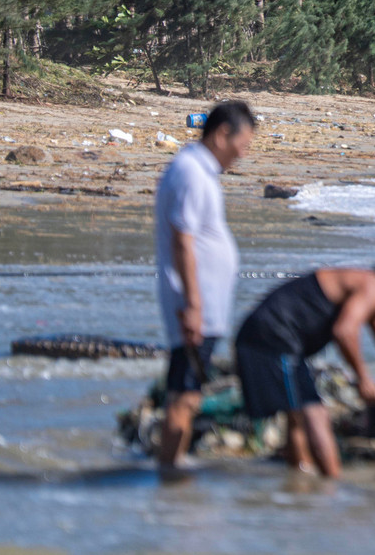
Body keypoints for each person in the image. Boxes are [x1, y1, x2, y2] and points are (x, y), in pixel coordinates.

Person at [234, 249, 375, 477]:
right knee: (300, 414)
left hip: (281, 340)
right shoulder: (371, 286)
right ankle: (311, 483)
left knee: (310, 413)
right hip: (271, 337)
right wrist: (363, 379)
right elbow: (345, 331)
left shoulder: (367, 286)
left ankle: (320, 482)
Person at [153, 100, 253, 475]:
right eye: (242, 145)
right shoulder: (192, 172)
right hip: (196, 305)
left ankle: (173, 469)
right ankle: (170, 474)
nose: (242, 154)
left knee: (188, 391)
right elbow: (183, 239)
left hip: (204, 305)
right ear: (222, 133)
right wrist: (193, 305)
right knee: (185, 394)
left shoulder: (198, 170)